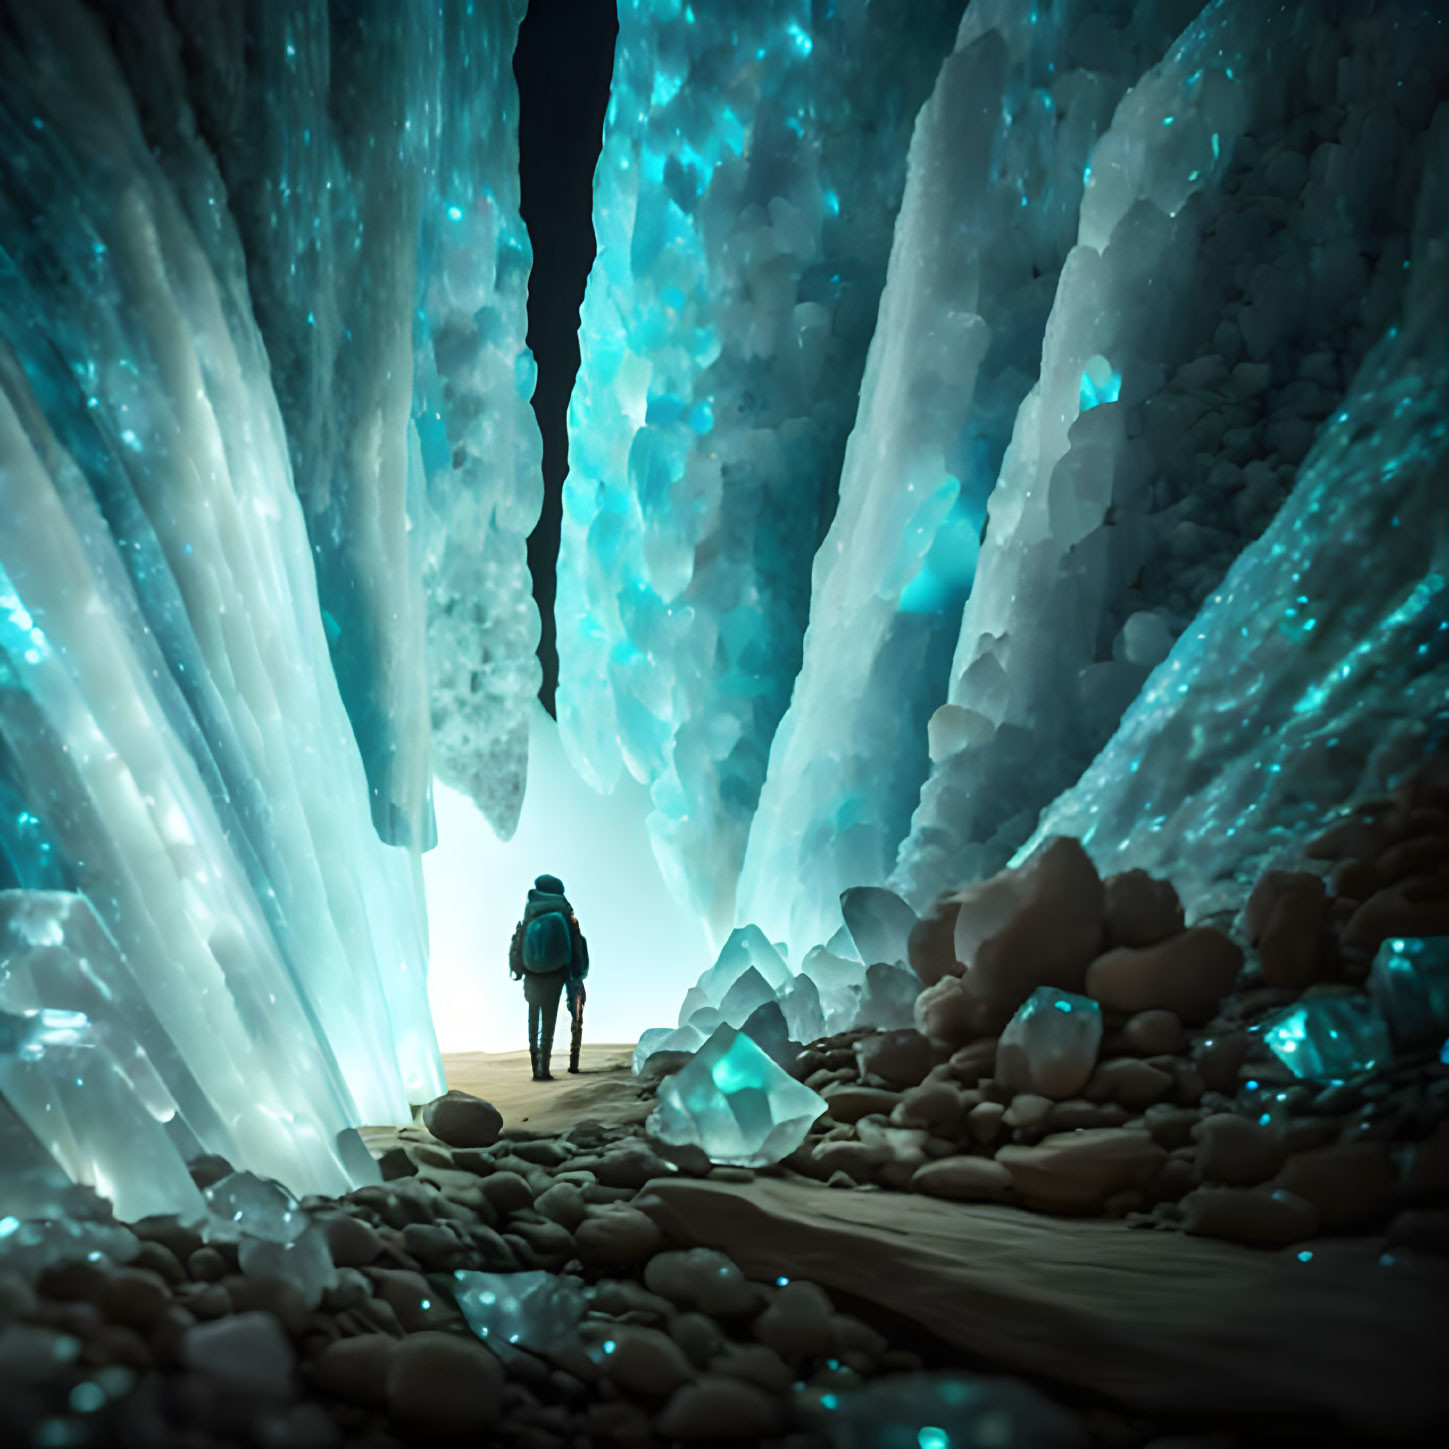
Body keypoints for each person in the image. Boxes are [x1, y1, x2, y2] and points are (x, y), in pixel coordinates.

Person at [508, 874, 588, 1081]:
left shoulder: (531, 908)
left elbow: (519, 939)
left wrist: (516, 968)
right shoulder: (563, 907)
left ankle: (536, 1069)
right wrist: (578, 970)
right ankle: (544, 1068)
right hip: (557, 970)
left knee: (533, 1016)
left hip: (532, 969)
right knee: (549, 1019)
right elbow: (576, 941)